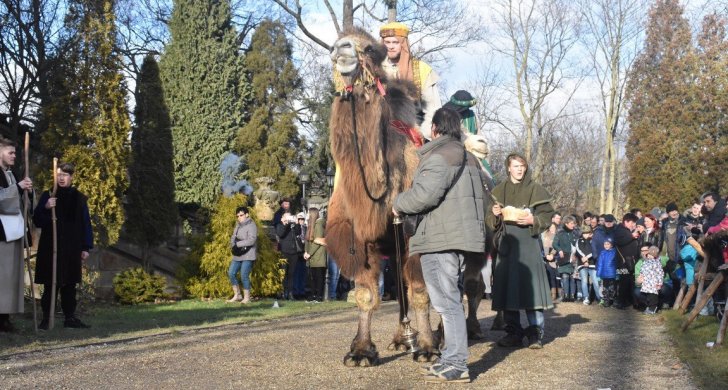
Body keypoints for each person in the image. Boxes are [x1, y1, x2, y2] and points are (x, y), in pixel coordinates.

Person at [393, 107, 486, 383]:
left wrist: (397, 204)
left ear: (434, 129)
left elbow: (424, 196)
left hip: (441, 238)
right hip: (452, 235)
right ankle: (450, 359)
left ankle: (457, 364)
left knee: (447, 303)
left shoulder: (440, 156)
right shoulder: (467, 156)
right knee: (448, 300)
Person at [488, 152, 555, 349]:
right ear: (508, 168)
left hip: (529, 245)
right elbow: (489, 221)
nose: (519, 169)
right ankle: (513, 332)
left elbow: (547, 215)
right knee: (509, 288)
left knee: (531, 288)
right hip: (508, 246)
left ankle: (535, 333)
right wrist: (495, 214)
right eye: (515, 166)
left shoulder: (536, 190)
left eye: (522, 166)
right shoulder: (499, 191)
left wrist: (533, 220)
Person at [34, 162, 93, 329]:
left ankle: (70, 318)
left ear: (71, 177)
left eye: (65, 175)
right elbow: (38, 221)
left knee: (69, 284)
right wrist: (46, 207)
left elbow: (85, 224)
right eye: (58, 174)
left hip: (71, 248)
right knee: (50, 284)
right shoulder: (49, 195)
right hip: (50, 247)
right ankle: (46, 319)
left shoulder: (79, 198)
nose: (61, 178)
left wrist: (85, 247)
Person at [379, 21, 441, 139]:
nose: (391, 46)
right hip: (380, 133)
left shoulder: (421, 69)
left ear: (403, 44)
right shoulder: (374, 70)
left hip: (414, 131)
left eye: (395, 42)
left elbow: (433, 108)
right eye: (387, 42)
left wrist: (423, 134)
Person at [0, 137, 33, 332]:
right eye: (10, 152)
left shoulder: (10, 175)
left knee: (9, 277)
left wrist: (27, 190)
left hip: (11, 232)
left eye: (14, 152)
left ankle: (4, 318)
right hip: (1, 233)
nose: (14, 156)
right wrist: (18, 188)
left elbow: (19, 201)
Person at [227, 206, 257, 304]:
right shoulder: (238, 225)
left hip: (248, 254)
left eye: (241, 215)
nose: (239, 217)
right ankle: (238, 295)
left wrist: (238, 244)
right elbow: (233, 237)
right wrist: (233, 244)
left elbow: (252, 240)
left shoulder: (252, 225)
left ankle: (247, 297)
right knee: (231, 273)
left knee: (244, 274)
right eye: (238, 216)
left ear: (247, 214)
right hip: (238, 254)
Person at [613, 213, 640, 309]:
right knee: (623, 282)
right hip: (622, 263)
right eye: (632, 222)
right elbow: (619, 241)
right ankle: (620, 301)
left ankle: (628, 301)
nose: (633, 224)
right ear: (626, 221)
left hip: (630, 262)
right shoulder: (619, 230)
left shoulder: (627, 230)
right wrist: (631, 236)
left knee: (629, 282)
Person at [276, 210, 303, 300]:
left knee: (291, 274)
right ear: (282, 218)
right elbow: (281, 234)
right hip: (284, 252)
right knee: (283, 274)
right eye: (286, 216)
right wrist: (286, 224)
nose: (288, 218)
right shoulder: (280, 225)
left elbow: (299, 232)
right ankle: (283, 293)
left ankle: (291, 293)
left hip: (294, 253)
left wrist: (297, 223)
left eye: (289, 216)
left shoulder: (293, 226)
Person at [303, 208, 326, 302]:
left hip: (318, 255)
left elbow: (317, 241)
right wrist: (305, 251)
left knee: (319, 277)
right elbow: (308, 240)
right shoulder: (311, 224)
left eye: (308, 213)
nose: (307, 215)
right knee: (312, 278)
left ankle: (319, 296)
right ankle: (313, 295)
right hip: (311, 256)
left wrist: (309, 253)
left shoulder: (319, 225)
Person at [553, 215, 577, 302]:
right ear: (566, 224)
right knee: (565, 276)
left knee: (572, 277)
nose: (573, 225)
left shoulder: (575, 233)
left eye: (573, 223)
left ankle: (572, 296)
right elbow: (554, 244)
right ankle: (566, 296)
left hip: (573, 257)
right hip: (564, 258)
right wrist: (559, 250)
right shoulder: (560, 233)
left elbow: (577, 244)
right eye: (571, 223)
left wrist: (575, 254)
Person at [576, 226, 601, 305]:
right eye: (585, 233)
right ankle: (586, 297)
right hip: (582, 264)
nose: (586, 235)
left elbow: (594, 251)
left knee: (596, 281)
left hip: (592, 264)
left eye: (588, 233)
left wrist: (587, 257)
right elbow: (578, 249)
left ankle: (599, 298)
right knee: (584, 281)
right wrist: (584, 258)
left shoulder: (592, 241)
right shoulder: (579, 240)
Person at [638, 246, 664, 314]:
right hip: (646, 283)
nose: (649, 256)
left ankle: (652, 309)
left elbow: (660, 274)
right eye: (648, 254)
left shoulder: (657, 263)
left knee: (653, 297)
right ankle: (649, 307)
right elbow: (642, 269)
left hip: (653, 284)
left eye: (651, 255)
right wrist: (641, 276)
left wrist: (659, 283)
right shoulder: (646, 262)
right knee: (647, 296)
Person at [540, 219, 560, 302]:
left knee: (556, 277)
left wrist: (552, 254)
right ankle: (551, 295)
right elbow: (541, 248)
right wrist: (546, 255)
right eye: (551, 228)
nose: (552, 229)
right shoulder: (544, 236)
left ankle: (557, 294)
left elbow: (557, 247)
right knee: (549, 276)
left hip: (556, 259)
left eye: (554, 228)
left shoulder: (557, 237)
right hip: (546, 259)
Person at [597, 238, 618, 307]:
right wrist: (598, 274)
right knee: (605, 288)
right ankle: (606, 301)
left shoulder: (615, 252)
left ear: (611, 245)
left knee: (613, 288)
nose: (606, 245)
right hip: (604, 274)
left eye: (608, 244)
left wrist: (617, 273)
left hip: (612, 274)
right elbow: (600, 264)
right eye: (605, 244)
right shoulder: (602, 252)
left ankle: (613, 300)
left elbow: (617, 263)